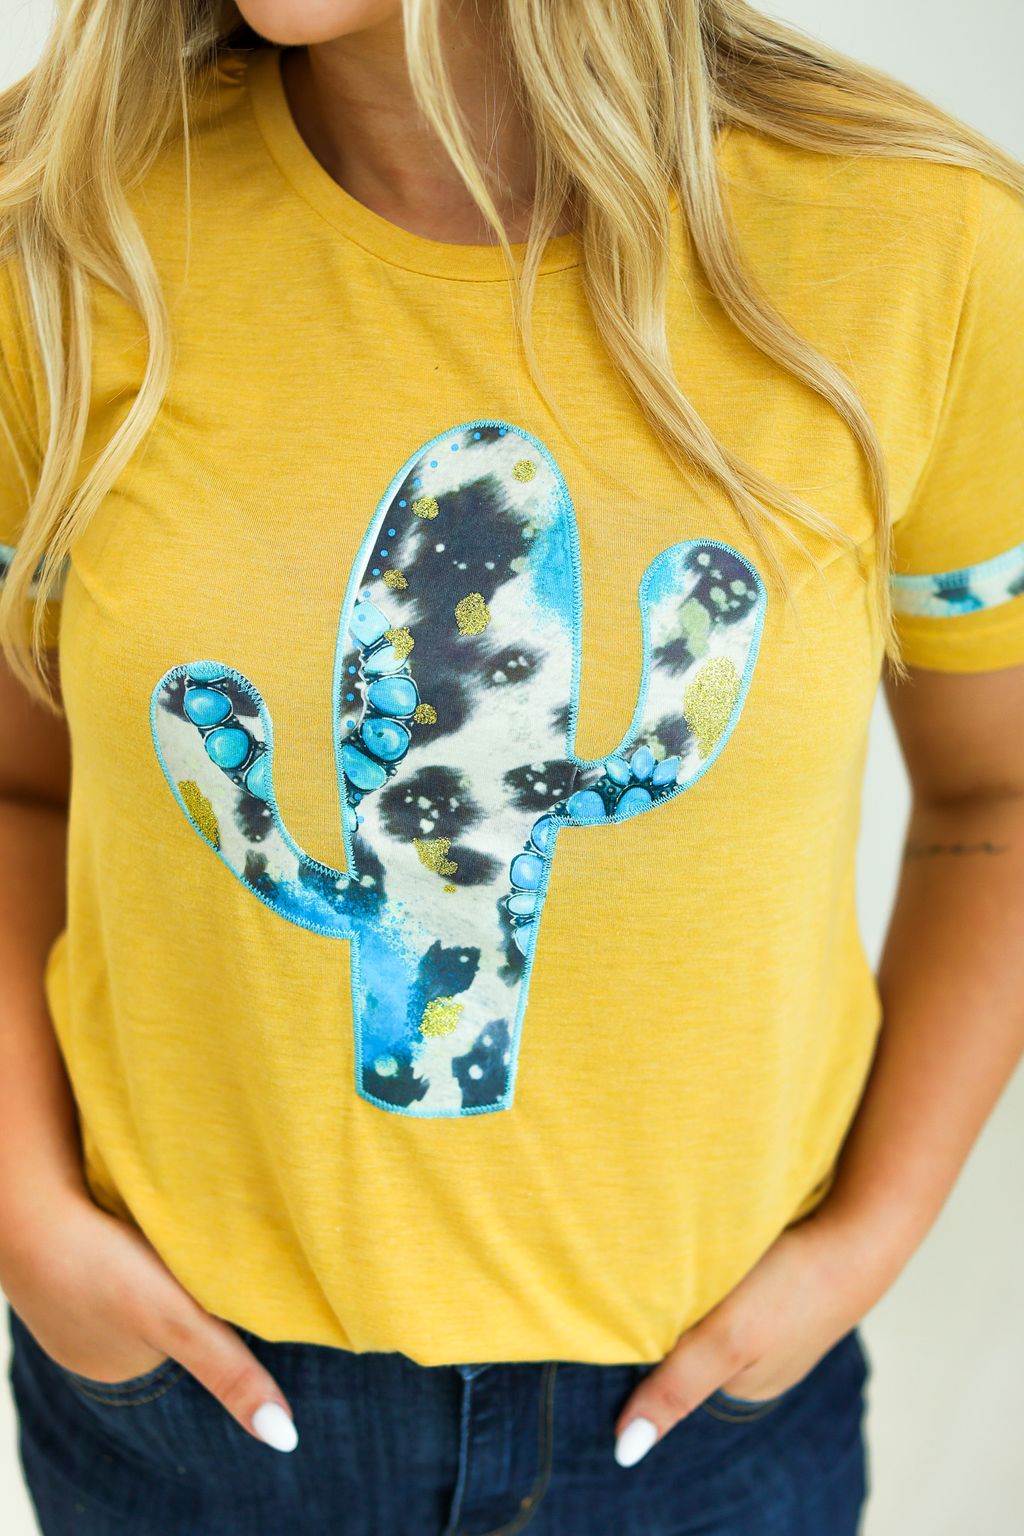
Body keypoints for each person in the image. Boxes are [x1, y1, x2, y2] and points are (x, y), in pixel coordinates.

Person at [1, 1, 1022, 1532]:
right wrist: (26, 1218)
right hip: (187, 1410)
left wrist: (869, 1237)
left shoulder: (925, 247)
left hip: (703, 1421)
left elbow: (1000, 793)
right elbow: (14, 784)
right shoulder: (56, 233)